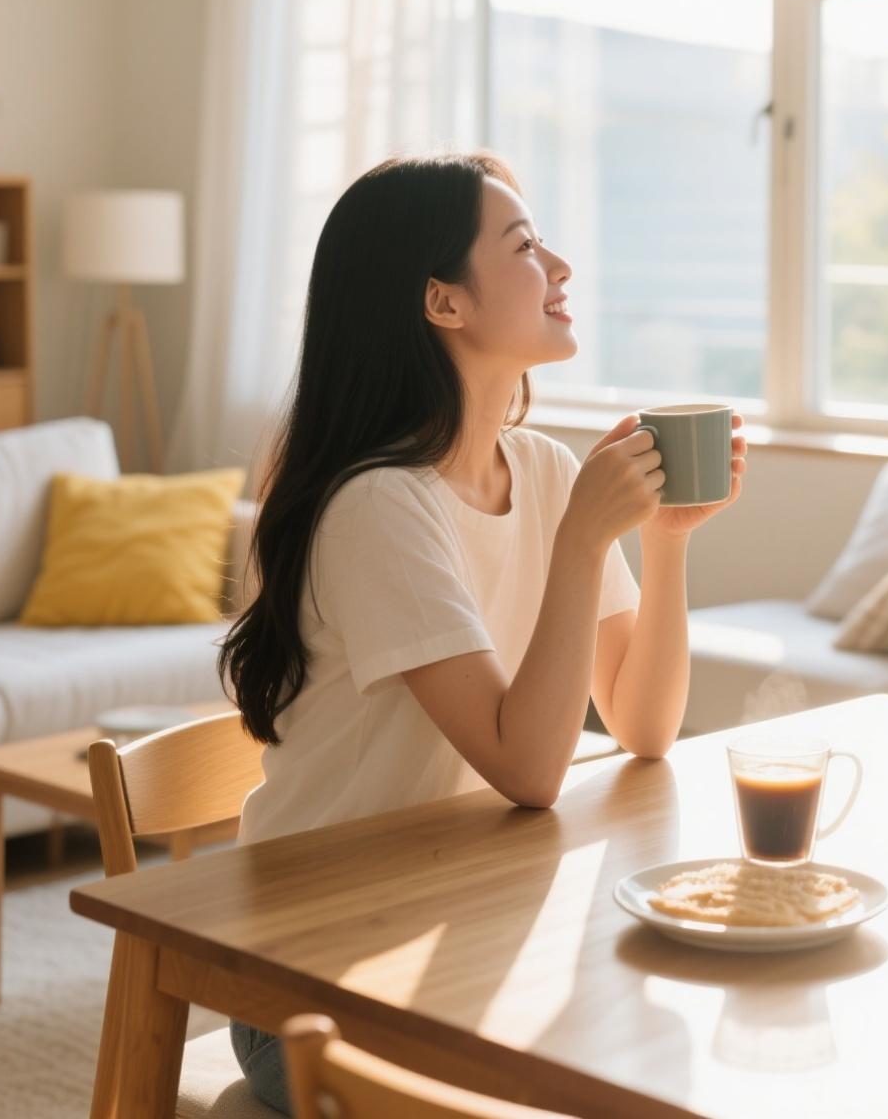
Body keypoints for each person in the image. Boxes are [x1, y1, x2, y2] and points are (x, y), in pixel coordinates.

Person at [218, 151, 748, 1112]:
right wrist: (584, 539)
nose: (561, 269)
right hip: (310, 972)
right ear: (443, 303)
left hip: (458, 915)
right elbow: (530, 769)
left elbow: (642, 725)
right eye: (524, 247)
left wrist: (663, 542)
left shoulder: (539, 469)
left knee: (676, 1045)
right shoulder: (379, 506)